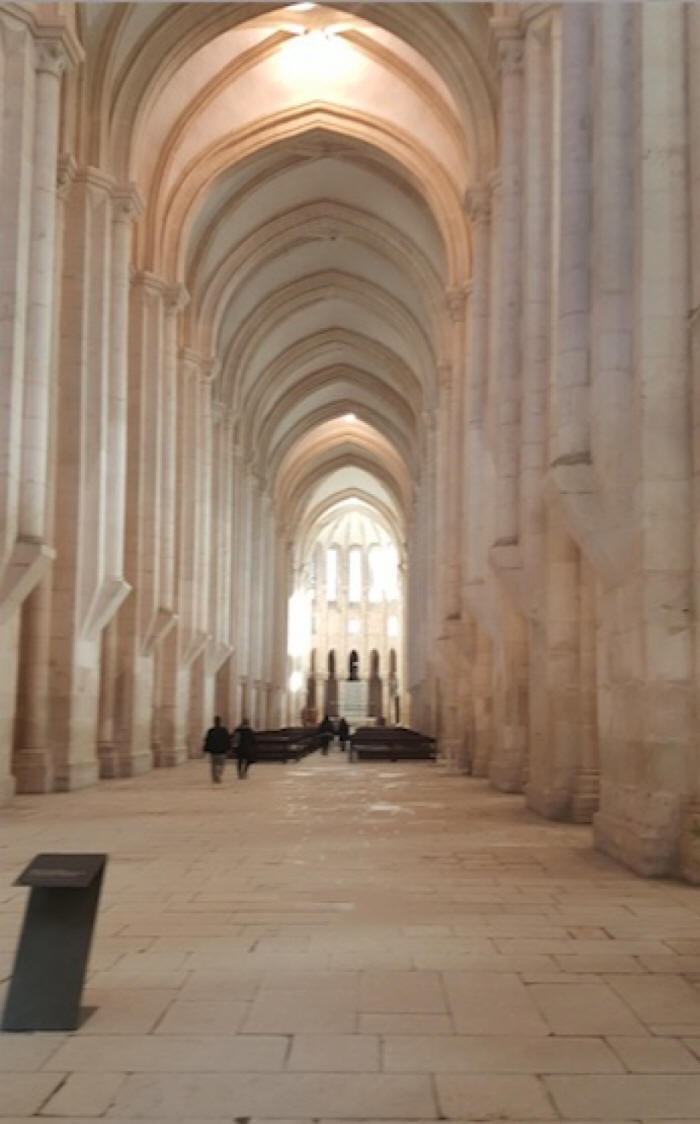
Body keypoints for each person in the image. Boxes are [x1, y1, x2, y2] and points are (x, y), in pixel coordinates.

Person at [202, 715, 230, 783]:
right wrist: (228, 749)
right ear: (220, 722)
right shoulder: (224, 730)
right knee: (221, 765)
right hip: (222, 751)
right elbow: (227, 740)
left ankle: (215, 777)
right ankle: (218, 775)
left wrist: (205, 749)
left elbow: (207, 740)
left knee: (213, 765)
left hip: (213, 751)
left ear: (214, 722)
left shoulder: (211, 730)